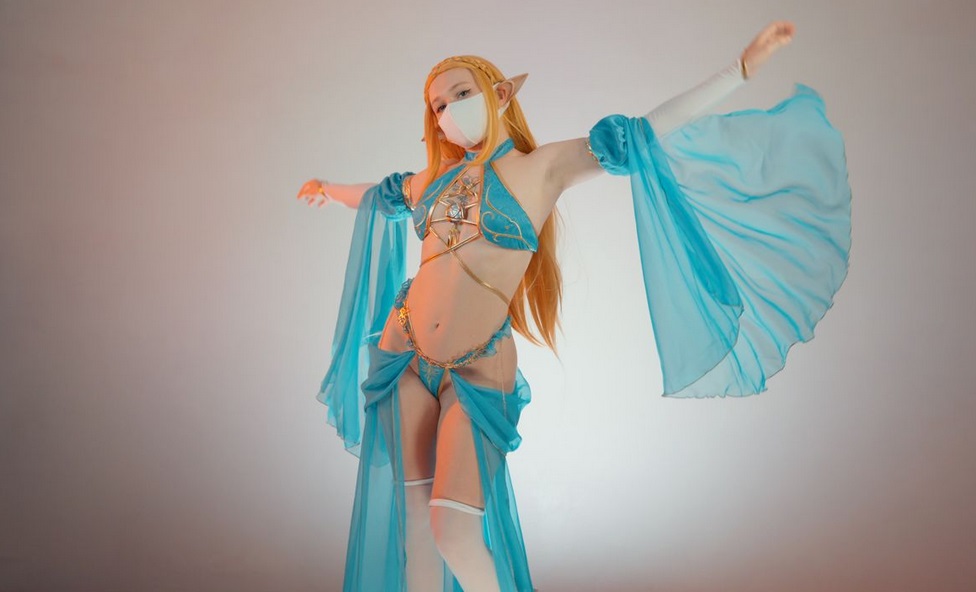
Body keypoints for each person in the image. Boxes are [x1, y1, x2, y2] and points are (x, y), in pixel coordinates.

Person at [298, 20, 850, 592]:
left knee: (454, 532)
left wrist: (739, 69)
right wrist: (326, 189)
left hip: (476, 367)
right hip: (404, 355)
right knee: (415, 529)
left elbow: (644, 132)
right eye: (438, 106)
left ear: (500, 94)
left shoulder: (543, 167)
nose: (448, 111)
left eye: (460, 93)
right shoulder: (432, 181)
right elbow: (376, 196)